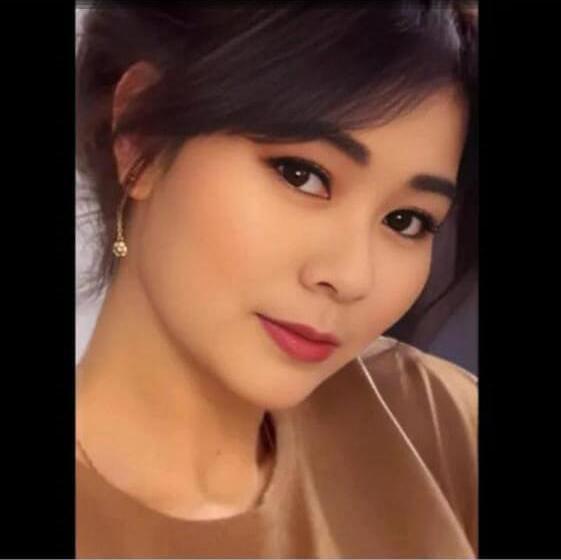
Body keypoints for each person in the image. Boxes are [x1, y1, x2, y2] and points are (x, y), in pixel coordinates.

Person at [75, 2, 478, 558]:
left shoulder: (440, 424)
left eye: (406, 221)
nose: (351, 276)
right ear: (141, 136)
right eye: (302, 175)